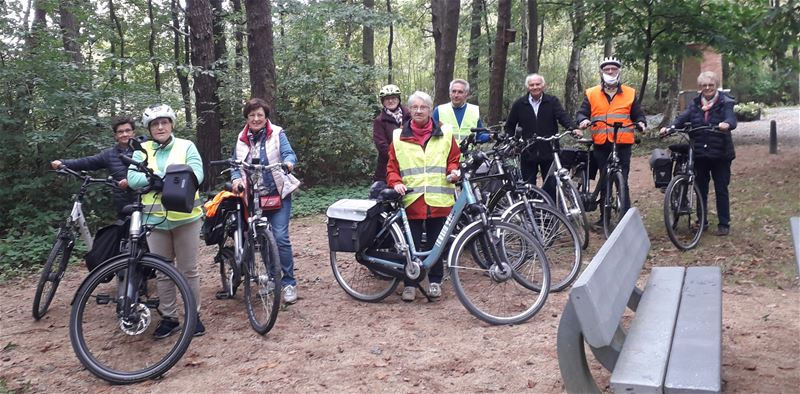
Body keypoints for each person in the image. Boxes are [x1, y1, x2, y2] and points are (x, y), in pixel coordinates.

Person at [127, 104, 206, 338]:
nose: (160, 127)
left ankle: (193, 315)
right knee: (163, 272)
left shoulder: (186, 146)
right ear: (149, 128)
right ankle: (170, 318)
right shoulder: (141, 149)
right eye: (155, 124)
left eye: (164, 122)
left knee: (189, 270)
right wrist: (161, 179)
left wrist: (159, 178)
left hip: (187, 218)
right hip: (155, 221)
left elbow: (197, 174)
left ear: (171, 124)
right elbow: (132, 178)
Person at [386, 91, 460, 302]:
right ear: (410, 110)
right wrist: (396, 182)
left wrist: (454, 171)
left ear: (430, 109)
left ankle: (435, 281)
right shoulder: (399, 136)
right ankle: (410, 283)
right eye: (415, 107)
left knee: (437, 245)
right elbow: (392, 167)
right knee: (411, 246)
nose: (419, 111)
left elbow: (454, 158)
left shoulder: (445, 132)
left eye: (423, 107)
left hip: (439, 200)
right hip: (412, 200)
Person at [230, 98, 302, 303]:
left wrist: (288, 163)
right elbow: (235, 164)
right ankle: (272, 278)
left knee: (279, 237)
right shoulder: (241, 138)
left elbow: (289, 153)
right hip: (255, 197)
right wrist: (236, 179)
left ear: (266, 116)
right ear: (247, 117)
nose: (256, 118)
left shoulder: (277, 133)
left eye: (259, 114)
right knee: (262, 239)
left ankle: (288, 283)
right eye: (252, 115)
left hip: (278, 193)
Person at [660, 71, 736, 236]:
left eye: (711, 85)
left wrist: (726, 124)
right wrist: (670, 128)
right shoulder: (695, 104)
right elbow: (683, 118)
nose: (707, 88)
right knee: (701, 188)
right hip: (700, 153)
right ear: (699, 87)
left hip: (720, 154)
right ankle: (702, 221)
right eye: (704, 86)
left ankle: (724, 223)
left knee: (721, 188)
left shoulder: (725, 102)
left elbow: (731, 119)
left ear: (715, 86)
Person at [575, 57, 647, 229]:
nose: (610, 72)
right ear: (601, 72)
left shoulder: (630, 93)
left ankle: (626, 220)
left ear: (619, 71)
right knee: (605, 178)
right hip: (602, 142)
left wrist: (642, 123)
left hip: (623, 142)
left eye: (613, 69)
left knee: (622, 180)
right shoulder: (591, 93)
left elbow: (638, 114)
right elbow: (582, 112)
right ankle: (604, 217)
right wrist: (584, 120)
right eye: (606, 69)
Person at [504, 73, 575, 200]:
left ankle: (550, 218)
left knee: (550, 186)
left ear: (543, 85)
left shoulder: (552, 101)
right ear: (527, 87)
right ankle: (531, 216)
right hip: (527, 151)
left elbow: (562, 116)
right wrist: (511, 141)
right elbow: (509, 126)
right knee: (528, 187)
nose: (535, 87)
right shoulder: (520, 104)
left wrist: (573, 128)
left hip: (549, 150)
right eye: (532, 85)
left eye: (538, 84)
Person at [51, 116, 138, 217]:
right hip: (123, 207)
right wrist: (62, 163)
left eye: (128, 131)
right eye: (120, 132)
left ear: (133, 133)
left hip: (145, 204)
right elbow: (87, 162)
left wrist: (131, 181)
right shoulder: (109, 155)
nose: (124, 134)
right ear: (116, 136)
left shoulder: (145, 150)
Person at [370, 84, 410, 199]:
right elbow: (382, 146)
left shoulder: (409, 116)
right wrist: (398, 158)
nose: (391, 101)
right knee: (380, 200)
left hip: (411, 166)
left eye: (393, 98)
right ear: (383, 101)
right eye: (387, 99)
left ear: (398, 99)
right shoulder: (380, 121)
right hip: (387, 168)